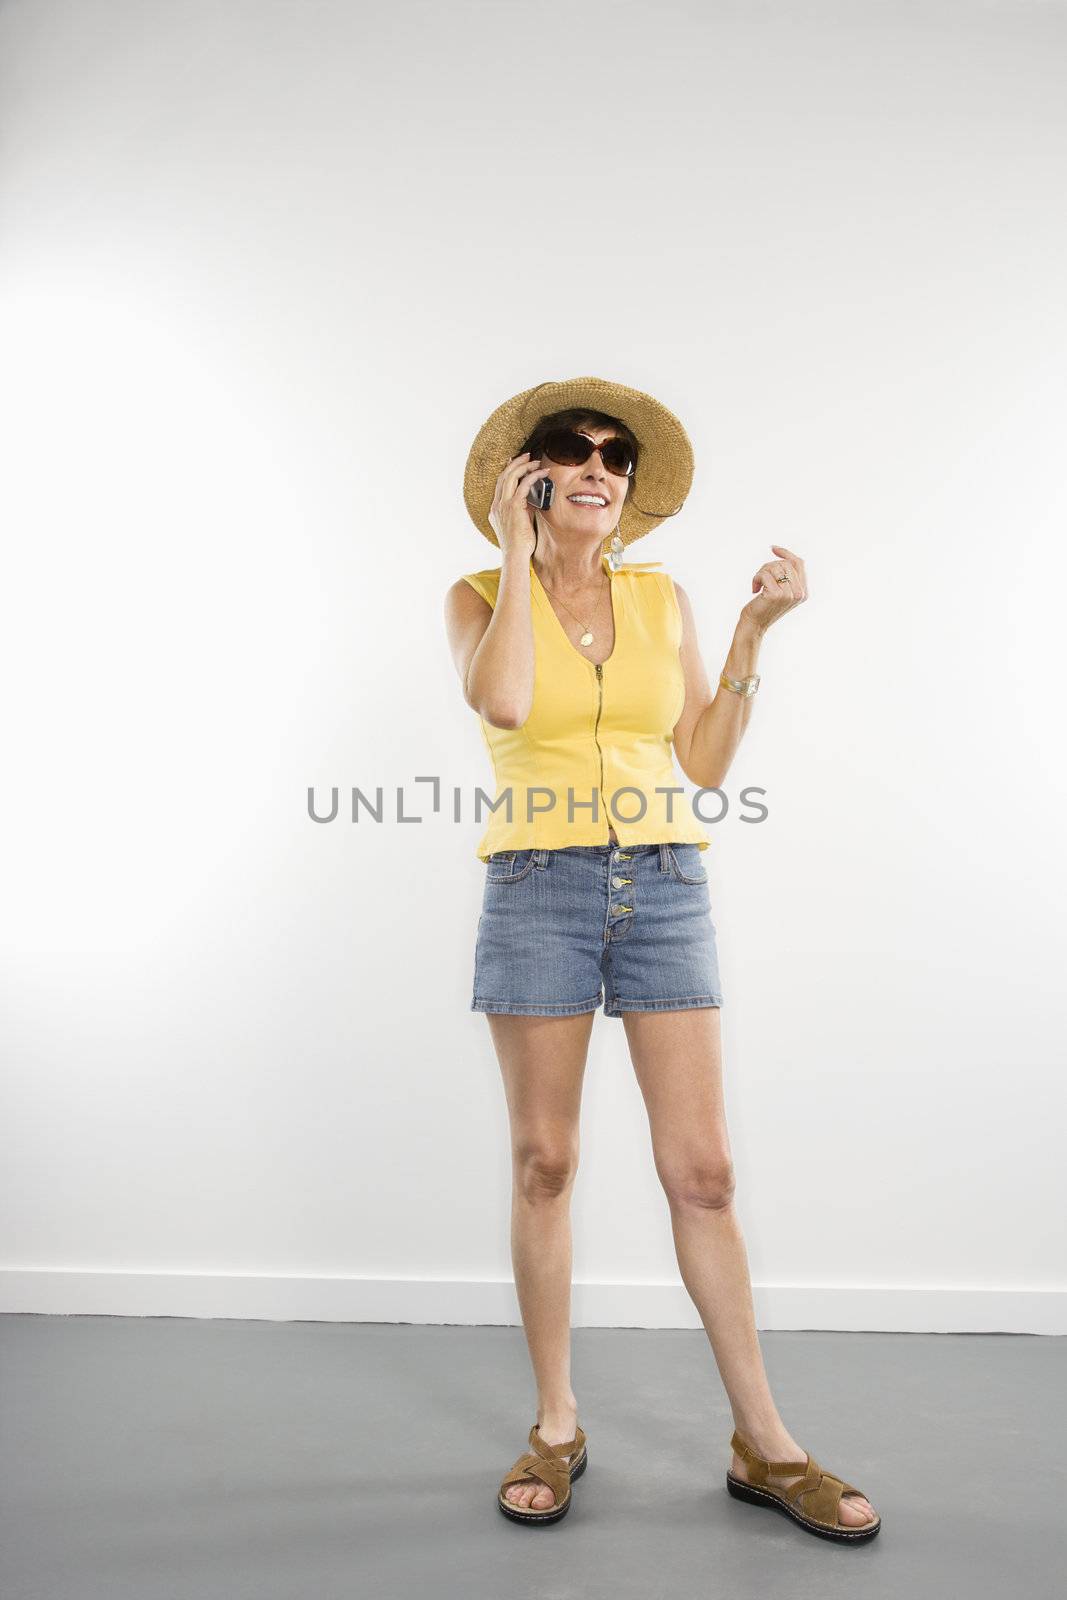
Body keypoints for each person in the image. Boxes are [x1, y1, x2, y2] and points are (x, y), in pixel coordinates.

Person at [443, 376, 880, 1541]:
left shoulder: (663, 599)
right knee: (544, 1161)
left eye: (613, 457)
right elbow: (501, 700)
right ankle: (555, 1423)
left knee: (704, 1175)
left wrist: (746, 632)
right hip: (536, 883)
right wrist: (514, 548)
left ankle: (764, 1443)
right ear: (528, 474)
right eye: (567, 452)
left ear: (627, 488)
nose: (596, 467)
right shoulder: (479, 593)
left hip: (665, 883)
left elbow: (701, 762)